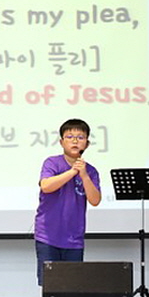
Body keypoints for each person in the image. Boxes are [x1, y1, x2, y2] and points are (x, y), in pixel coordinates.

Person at [33, 118, 102, 285]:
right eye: (70, 137)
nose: (75, 141)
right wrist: (72, 172)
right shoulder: (52, 163)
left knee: (73, 285)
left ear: (87, 144)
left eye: (80, 137)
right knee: (51, 285)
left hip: (74, 238)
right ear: (61, 142)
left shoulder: (91, 171)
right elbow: (46, 186)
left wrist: (83, 175)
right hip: (48, 235)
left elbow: (95, 200)